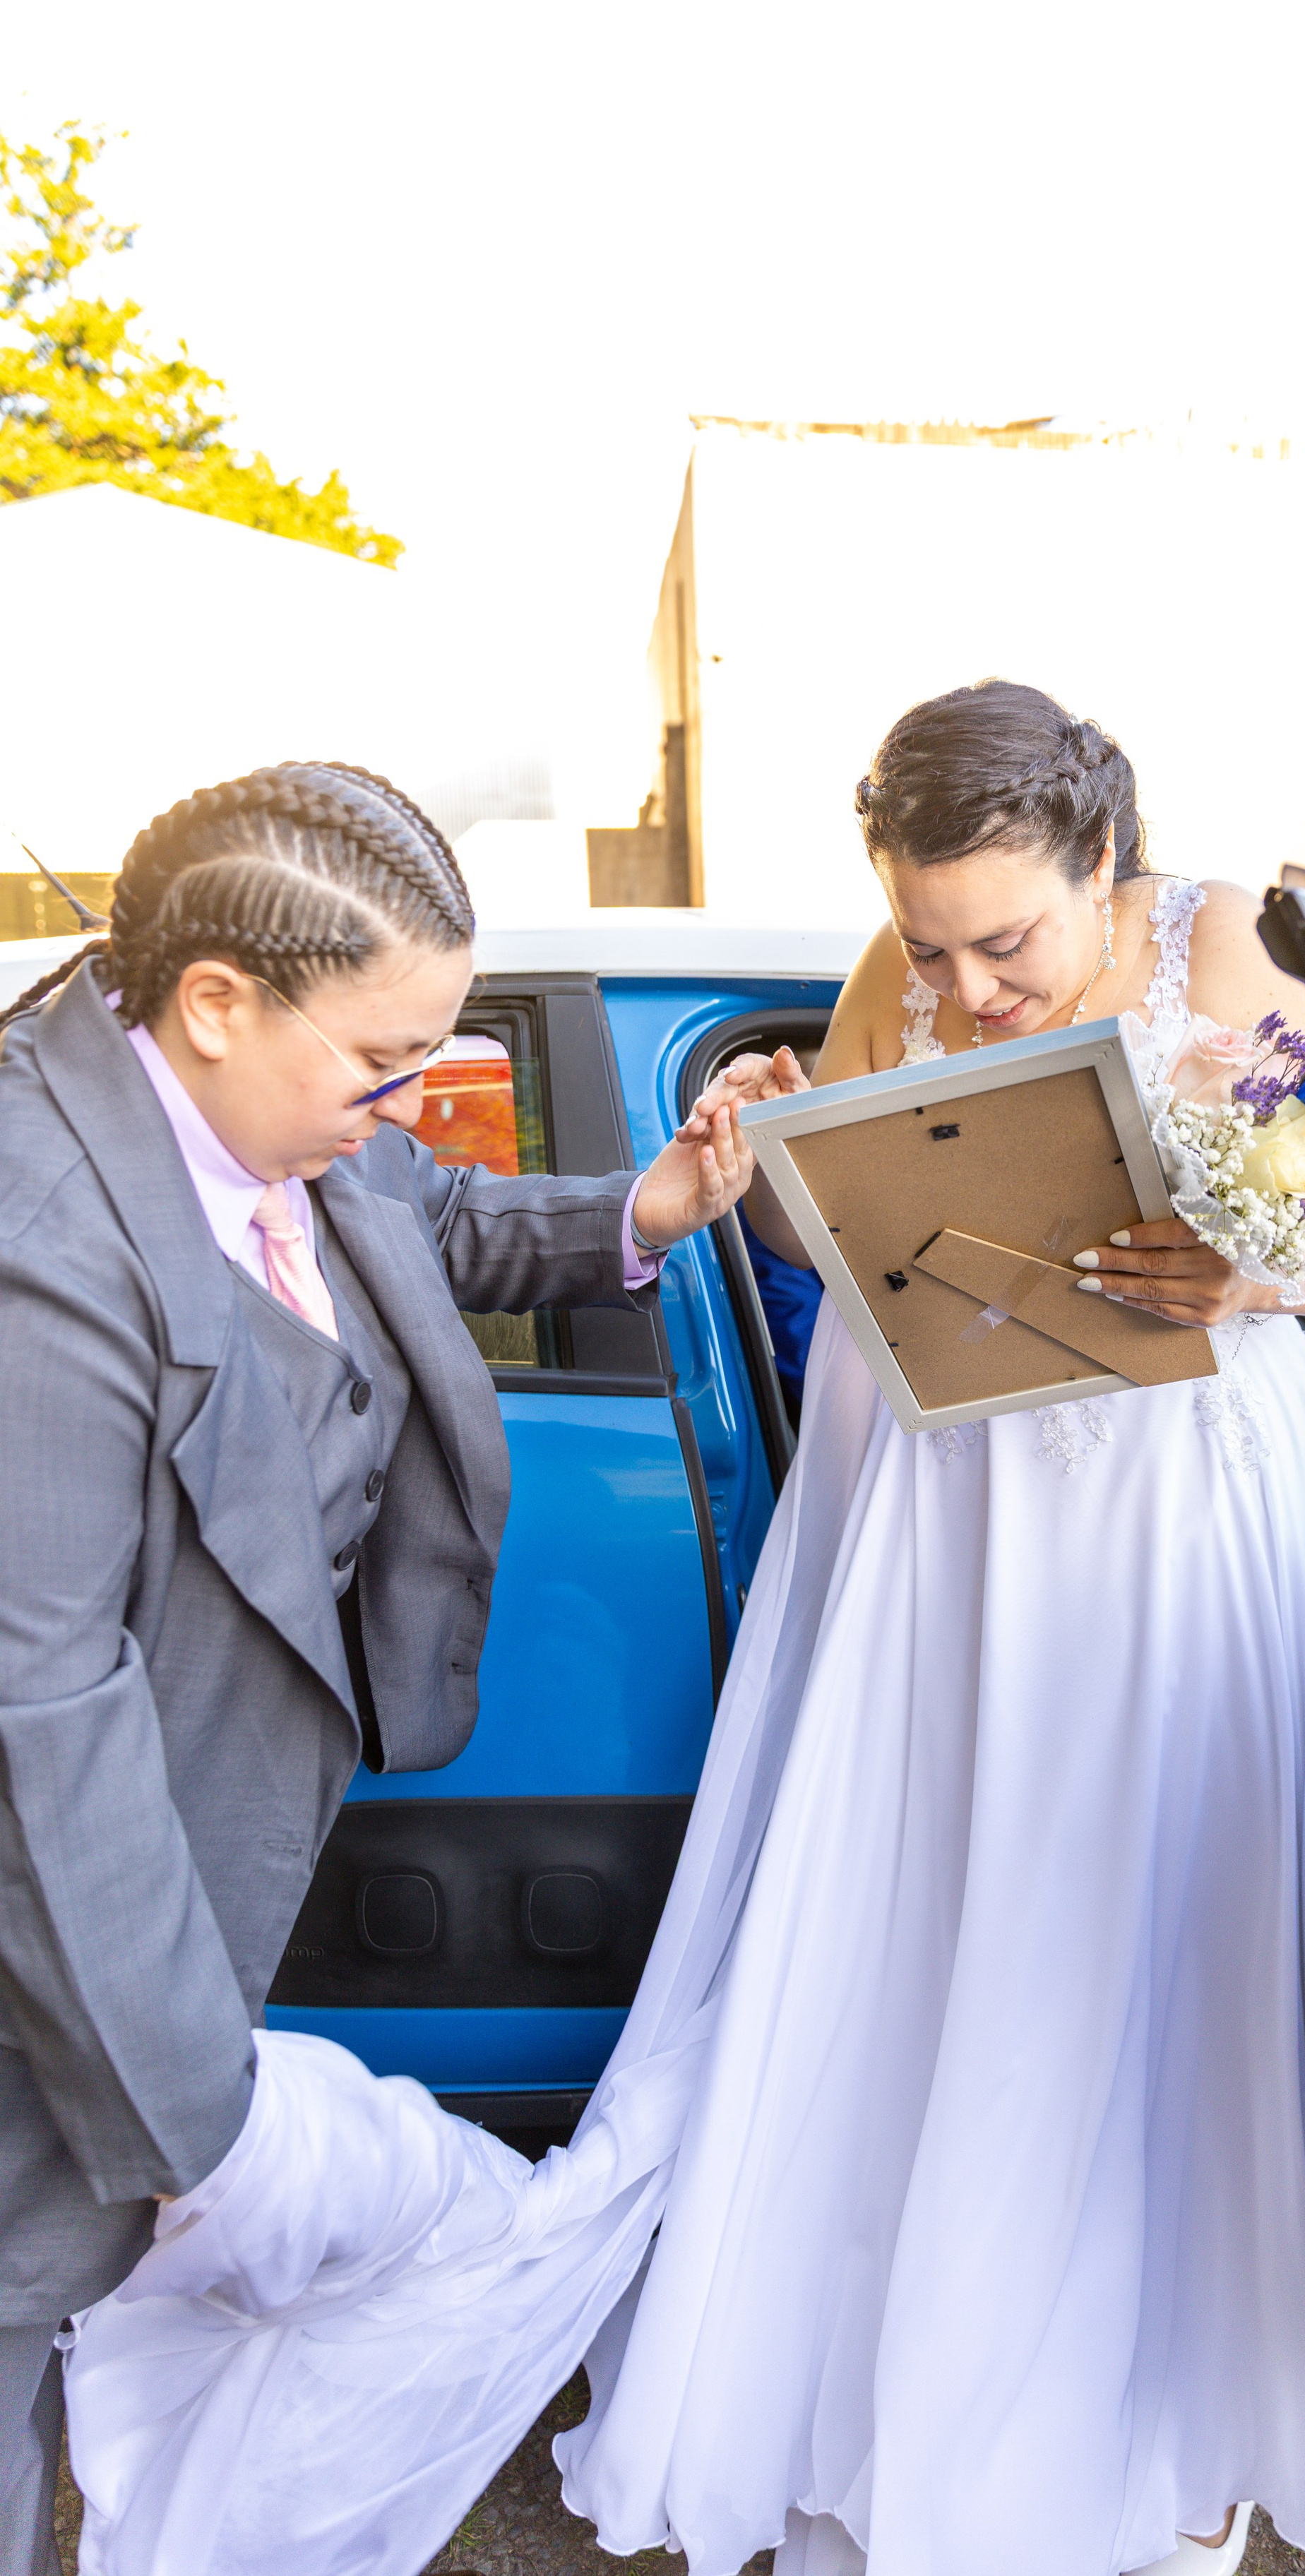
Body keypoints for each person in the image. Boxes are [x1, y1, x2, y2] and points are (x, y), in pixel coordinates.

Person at [51, 689, 1305, 2576]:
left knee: (1147, 1913)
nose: (968, 981)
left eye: (1006, 940)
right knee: (953, 1914)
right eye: (932, 940)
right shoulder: (892, 966)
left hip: (1170, 1510)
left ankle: (1153, 2379)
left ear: (1110, 864)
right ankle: (915, 2343)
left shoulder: (1226, 939)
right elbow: (828, 1236)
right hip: (957, 1515)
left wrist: (1255, 1253)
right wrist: (775, 1154)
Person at [0, 761, 753, 2576]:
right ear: (213, 999)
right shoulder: (37, 1248)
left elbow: (423, 1210)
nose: (401, 1109)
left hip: (197, 1827)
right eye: (378, 1064)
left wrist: (645, 1208)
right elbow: (43, 1720)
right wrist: (196, 2119)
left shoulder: (245, 1108)